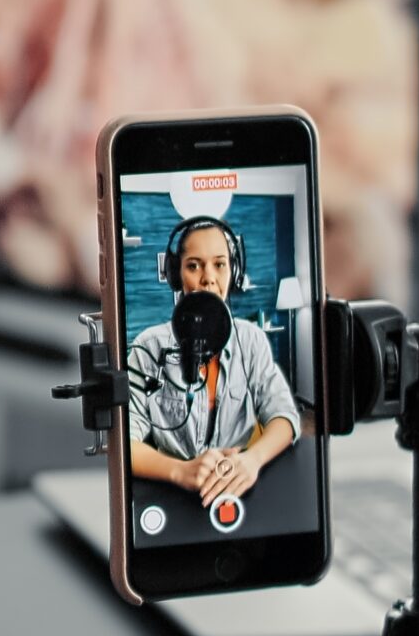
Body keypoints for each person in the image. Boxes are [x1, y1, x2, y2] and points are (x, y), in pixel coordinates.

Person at [124, 216, 297, 507]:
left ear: (234, 272)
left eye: (219, 264)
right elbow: (124, 443)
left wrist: (251, 461)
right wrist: (180, 470)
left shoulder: (251, 340)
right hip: (171, 495)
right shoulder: (149, 347)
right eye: (194, 265)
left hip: (240, 493)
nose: (208, 278)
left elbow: (285, 417)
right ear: (175, 274)